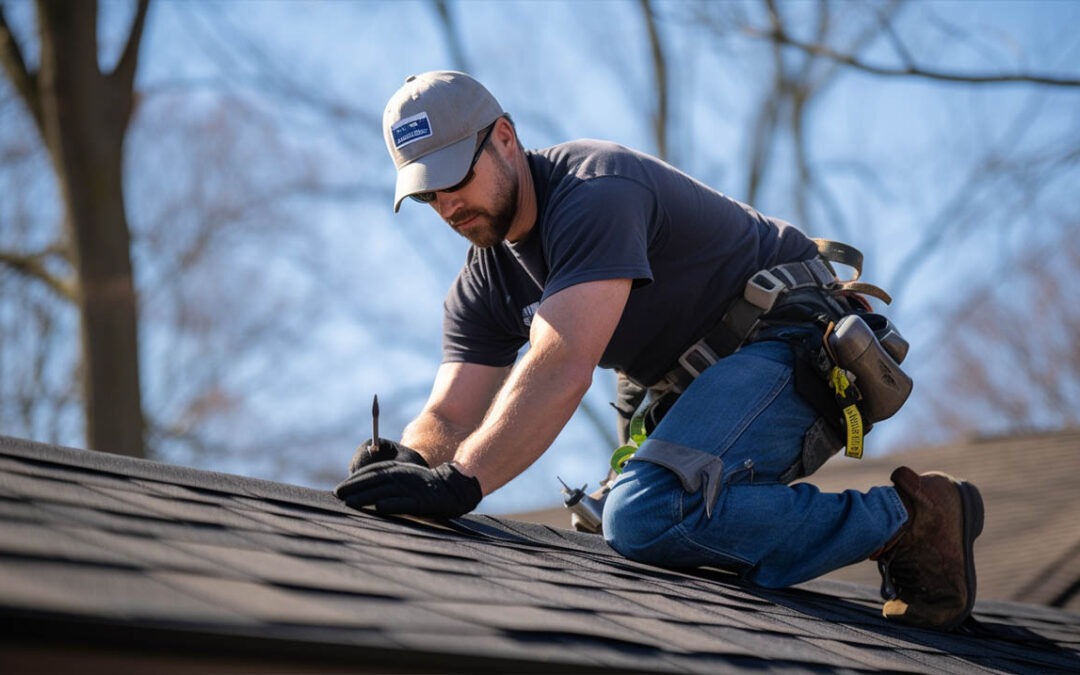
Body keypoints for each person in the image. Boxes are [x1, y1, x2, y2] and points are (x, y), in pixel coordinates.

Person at [335, 71, 984, 632]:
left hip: (787, 340)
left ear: (505, 137)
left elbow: (562, 365)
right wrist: (412, 458)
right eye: (427, 193)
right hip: (689, 385)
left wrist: (460, 480)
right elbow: (449, 412)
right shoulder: (485, 277)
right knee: (631, 531)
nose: (447, 204)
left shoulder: (593, 191)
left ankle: (910, 519)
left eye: (455, 176)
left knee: (646, 512)